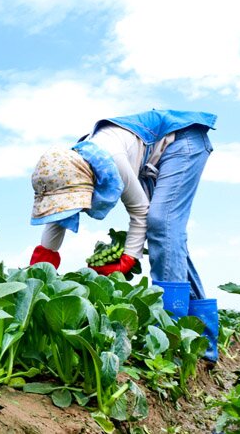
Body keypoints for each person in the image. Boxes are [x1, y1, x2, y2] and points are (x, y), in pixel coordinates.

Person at [28, 109, 219, 361]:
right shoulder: (68, 168)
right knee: (170, 241)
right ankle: (203, 342)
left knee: (163, 224)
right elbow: (59, 215)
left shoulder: (112, 160)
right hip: (151, 154)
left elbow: (140, 211)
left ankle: (172, 333)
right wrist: (41, 266)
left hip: (182, 140)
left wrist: (127, 259)